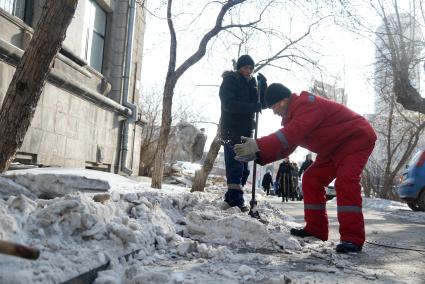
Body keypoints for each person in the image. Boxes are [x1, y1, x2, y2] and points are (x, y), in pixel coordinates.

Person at [233, 83, 377, 253]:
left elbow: (291, 134)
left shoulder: (307, 104)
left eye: (274, 106)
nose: (274, 111)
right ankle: (316, 229)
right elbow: (287, 146)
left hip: (356, 138)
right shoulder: (294, 116)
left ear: (284, 100)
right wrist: (259, 156)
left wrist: (258, 145)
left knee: (346, 181)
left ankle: (352, 238)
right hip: (333, 148)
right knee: (311, 179)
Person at [218, 55, 266, 211]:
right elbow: (228, 104)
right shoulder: (230, 80)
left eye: (251, 68)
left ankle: (232, 198)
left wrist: (263, 86)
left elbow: (261, 104)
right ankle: (236, 200)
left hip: (246, 133)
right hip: (231, 131)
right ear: (239, 68)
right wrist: (252, 107)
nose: (249, 71)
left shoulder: (251, 83)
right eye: (246, 67)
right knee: (236, 167)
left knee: (244, 169)